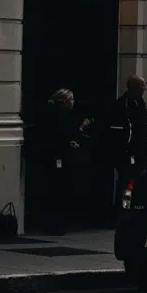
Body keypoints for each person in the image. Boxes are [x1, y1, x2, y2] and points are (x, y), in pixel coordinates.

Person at [38, 89, 92, 235]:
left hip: (58, 156)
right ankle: (53, 224)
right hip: (56, 157)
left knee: (58, 190)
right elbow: (61, 135)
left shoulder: (60, 115)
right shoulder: (58, 116)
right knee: (56, 190)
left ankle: (55, 223)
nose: (73, 102)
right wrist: (76, 134)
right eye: (71, 100)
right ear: (64, 101)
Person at [107, 75, 147, 211]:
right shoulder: (122, 105)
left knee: (137, 181)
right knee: (126, 182)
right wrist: (125, 149)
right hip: (127, 152)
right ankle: (122, 209)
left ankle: (133, 208)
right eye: (142, 88)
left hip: (139, 150)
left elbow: (143, 127)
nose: (143, 90)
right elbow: (123, 131)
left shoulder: (140, 103)